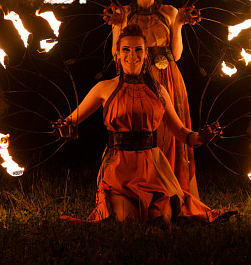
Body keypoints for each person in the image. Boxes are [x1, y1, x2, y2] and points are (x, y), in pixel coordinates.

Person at [54, 24, 233, 222]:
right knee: (128, 220)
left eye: (138, 49)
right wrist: (64, 129)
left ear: (146, 53)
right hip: (119, 168)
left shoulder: (159, 91)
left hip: (153, 168)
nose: (132, 55)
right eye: (126, 49)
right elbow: (71, 121)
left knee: (163, 221)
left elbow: (182, 133)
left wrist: (202, 137)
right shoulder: (104, 88)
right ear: (118, 54)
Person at [102, 0, 202, 201]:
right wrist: (118, 24)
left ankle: (173, 195)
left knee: (170, 136)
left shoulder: (169, 12)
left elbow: (176, 54)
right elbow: (118, 55)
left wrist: (179, 23)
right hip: (136, 80)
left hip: (167, 77)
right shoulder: (122, 13)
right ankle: (137, 194)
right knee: (142, 136)